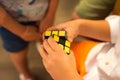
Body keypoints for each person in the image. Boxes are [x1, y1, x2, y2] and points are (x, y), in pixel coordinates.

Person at [38, 15, 120, 80]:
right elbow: (116, 28)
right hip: (97, 54)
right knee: (54, 54)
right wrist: (80, 26)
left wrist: (66, 76)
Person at [0, 0, 59, 80]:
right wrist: (21, 31)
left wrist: (50, 15)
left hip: (43, 15)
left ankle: (42, 46)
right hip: (10, 23)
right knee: (18, 53)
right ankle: (26, 75)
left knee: (47, 41)